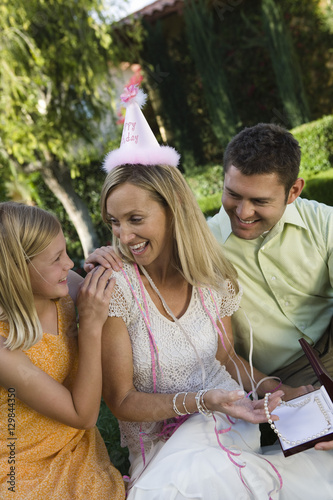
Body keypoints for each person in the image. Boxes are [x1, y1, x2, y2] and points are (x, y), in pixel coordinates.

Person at [90, 86, 333, 498]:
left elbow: (226, 356)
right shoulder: (123, 284)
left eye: (135, 219)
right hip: (182, 436)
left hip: (240, 409)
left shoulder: (212, 273)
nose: (242, 212)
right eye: (114, 222)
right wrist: (215, 399)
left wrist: (277, 393)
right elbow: (121, 400)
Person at [0, 202, 125, 499]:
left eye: (66, 252)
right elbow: (83, 416)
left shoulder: (65, 285)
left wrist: (105, 265)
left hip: (72, 446)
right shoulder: (4, 346)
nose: (70, 264)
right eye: (56, 258)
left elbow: (122, 302)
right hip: (20, 463)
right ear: (17, 270)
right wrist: (90, 327)